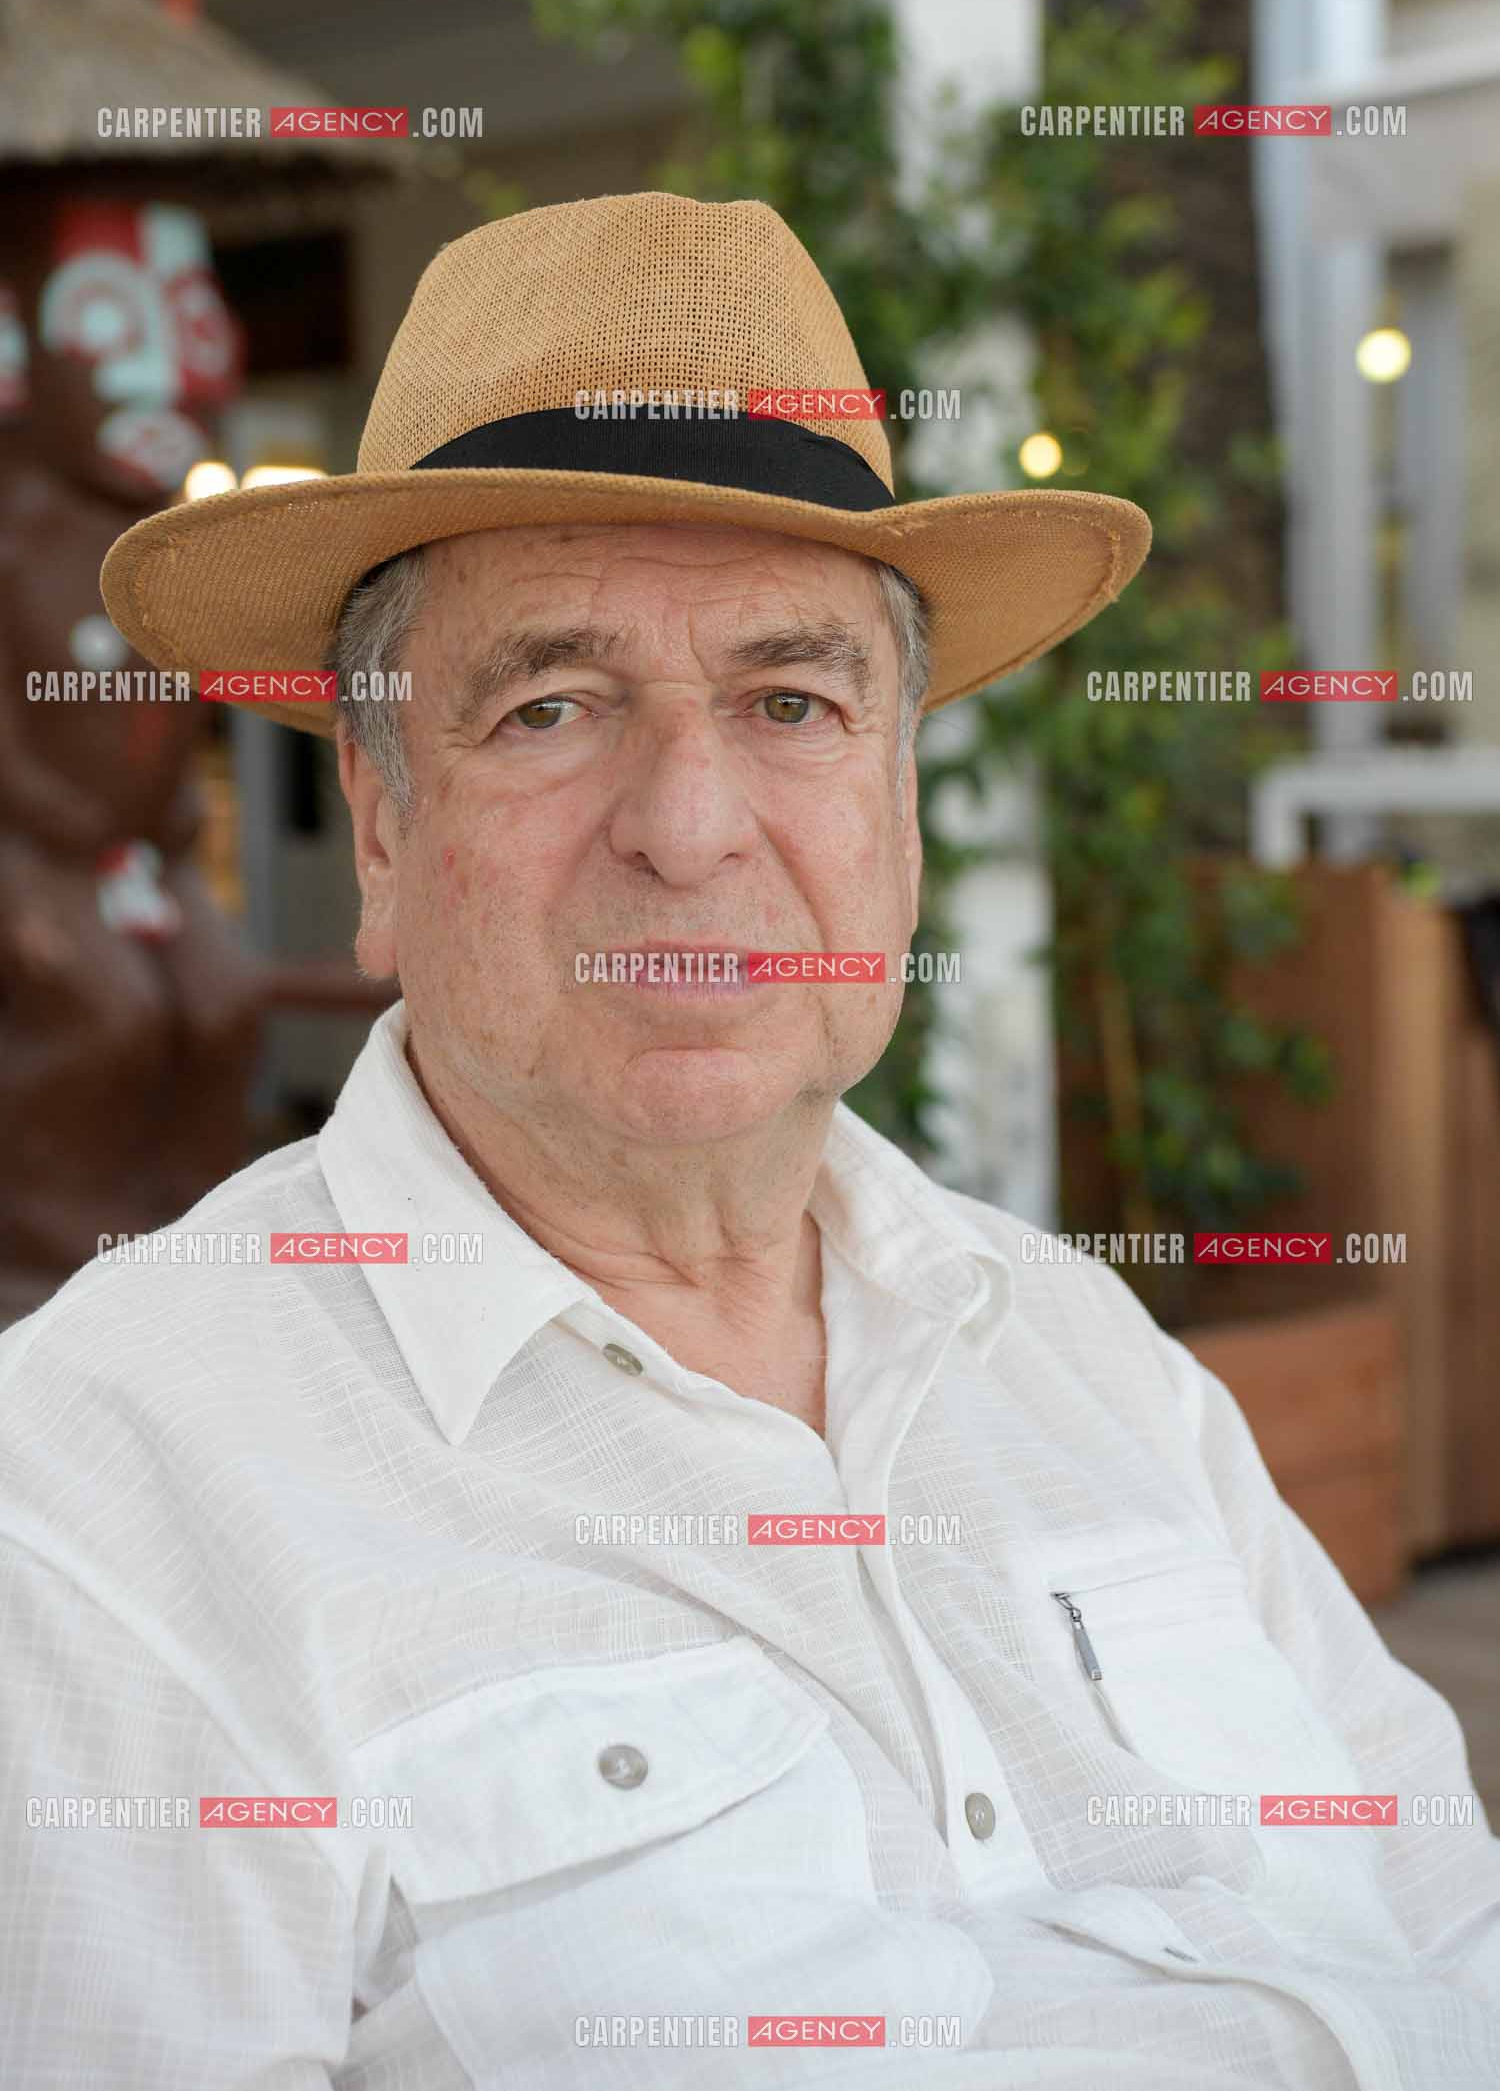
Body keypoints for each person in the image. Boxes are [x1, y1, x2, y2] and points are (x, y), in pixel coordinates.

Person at [2, 192, 1496, 2089]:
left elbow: (1452, 1930)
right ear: (379, 832)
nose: (691, 823)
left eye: (790, 701)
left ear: (898, 818)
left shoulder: (1087, 1358)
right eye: (552, 707)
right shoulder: (101, 1504)